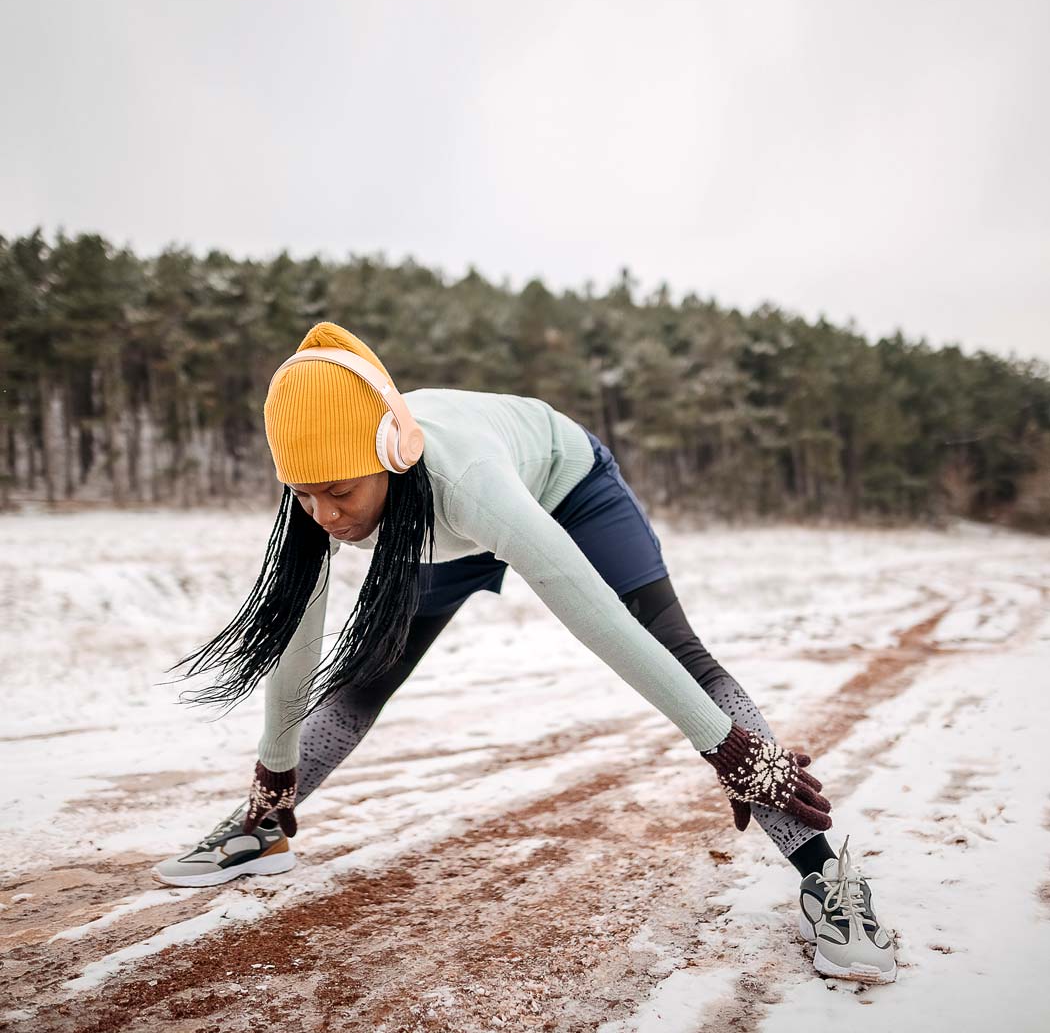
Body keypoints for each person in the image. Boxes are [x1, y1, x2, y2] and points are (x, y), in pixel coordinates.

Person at [154, 322, 897, 984]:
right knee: (365, 678)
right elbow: (296, 636)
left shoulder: (467, 480)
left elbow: (602, 621)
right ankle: (263, 825)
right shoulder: (323, 487)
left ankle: (824, 875)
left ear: (391, 453)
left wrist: (728, 747)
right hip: (435, 531)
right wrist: (273, 769)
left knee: (685, 655)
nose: (325, 515)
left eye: (339, 492)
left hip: (564, 488)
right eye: (304, 495)